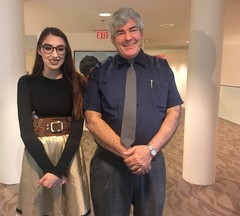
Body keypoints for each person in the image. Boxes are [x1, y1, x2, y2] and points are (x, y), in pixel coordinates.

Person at [83, 7, 183, 216]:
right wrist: (127, 153)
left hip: (151, 164)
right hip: (109, 164)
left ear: (142, 33)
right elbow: (92, 119)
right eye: (120, 32)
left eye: (133, 30)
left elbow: (173, 111)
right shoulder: (100, 72)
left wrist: (150, 151)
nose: (128, 37)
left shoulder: (162, 68)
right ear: (112, 39)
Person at [16, 27, 90, 216]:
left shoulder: (76, 83)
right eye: (48, 48)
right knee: (39, 208)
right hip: (38, 155)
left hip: (68, 154)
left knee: (71, 207)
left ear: (66, 51)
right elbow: (26, 131)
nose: (55, 54)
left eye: (60, 49)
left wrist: (59, 171)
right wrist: (50, 170)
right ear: (40, 50)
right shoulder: (26, 83)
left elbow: (76, 130)